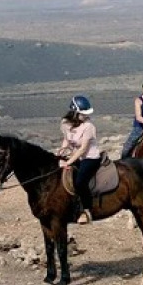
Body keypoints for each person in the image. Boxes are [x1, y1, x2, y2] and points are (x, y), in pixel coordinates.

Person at [58, 95, 101, 224]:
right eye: (82, 114)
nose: (85, 116)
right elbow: (67, 139)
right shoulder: (65, 123)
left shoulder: (89, 127)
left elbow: (83, 149)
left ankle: (86, 211)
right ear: (74, 112)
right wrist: (61, 152)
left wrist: (68, 162)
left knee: (80, 182)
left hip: (90, 157)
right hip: (74, 155)